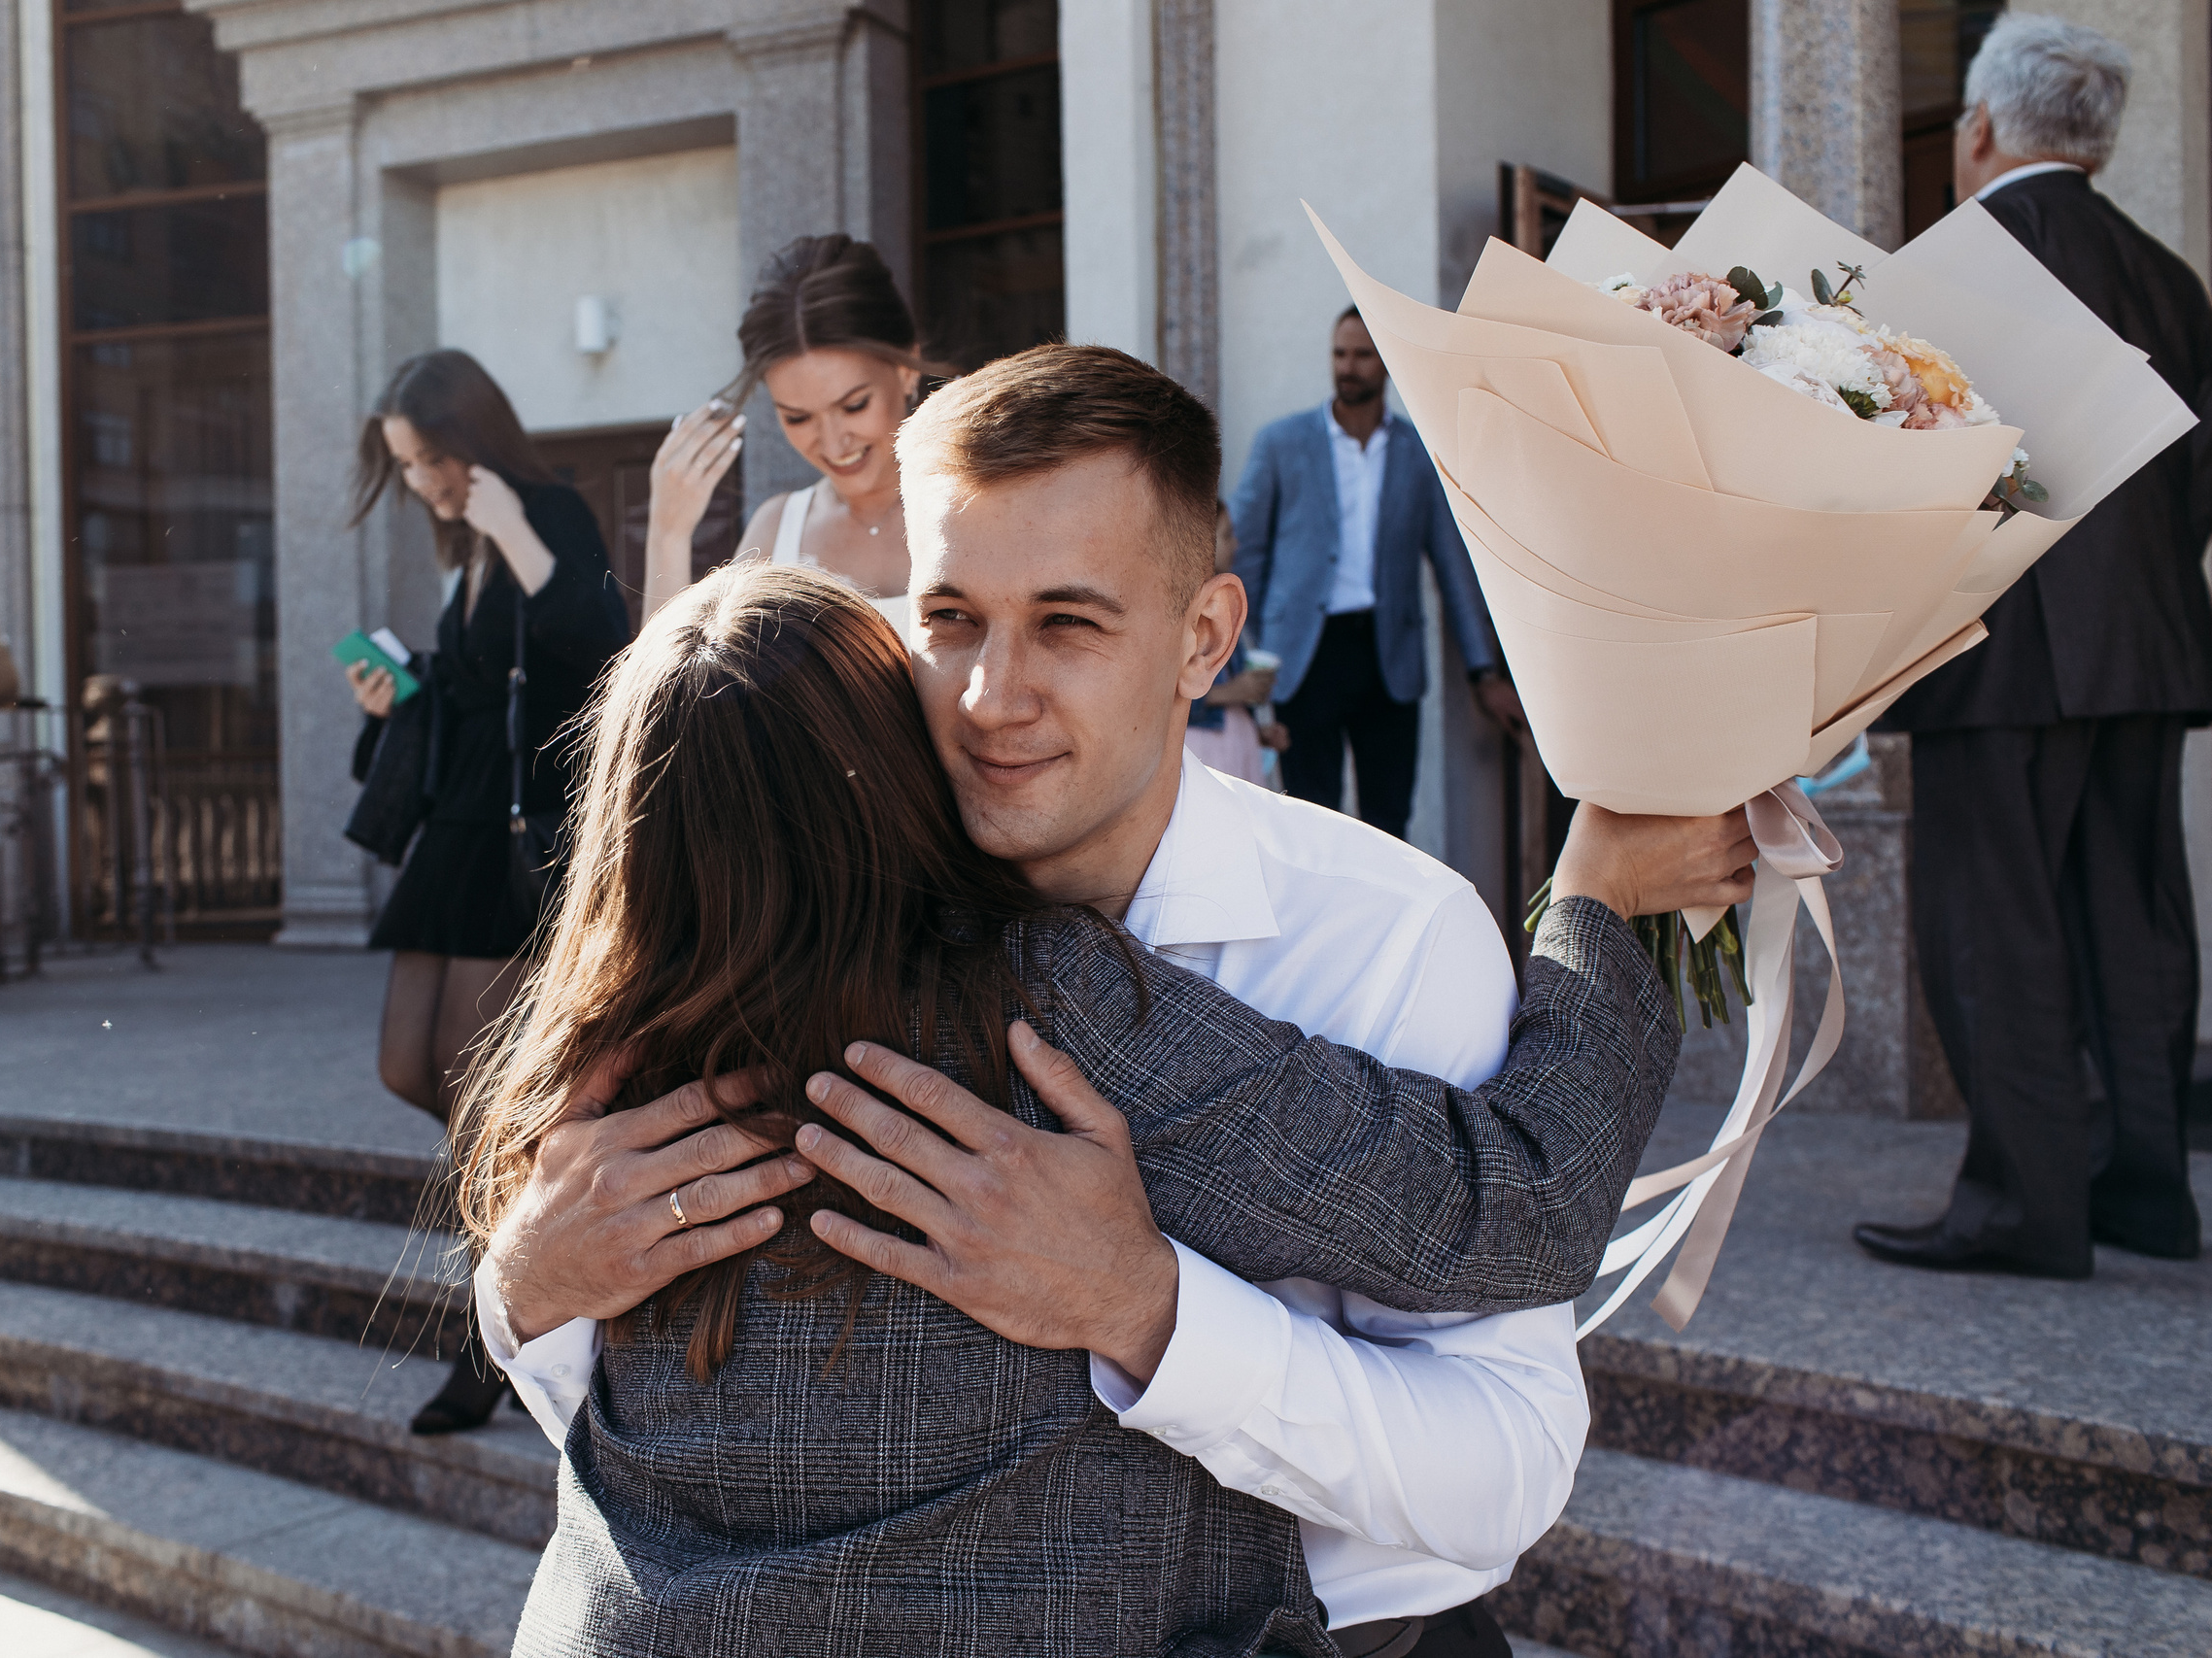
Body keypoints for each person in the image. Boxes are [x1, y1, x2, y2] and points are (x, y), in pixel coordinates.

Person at [480, 347, 1756, 1656]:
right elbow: (656, 1401)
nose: (990, 695)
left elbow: (1509, 1462)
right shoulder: (904, 963)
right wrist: (526, 1285)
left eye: (1069, 622)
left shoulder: (1386, 933)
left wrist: (1146, 1308)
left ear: (1205, 635)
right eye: (950, 617)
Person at [1862, 15, 2212, 1278]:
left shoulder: (1943, 270)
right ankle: (2144, 1189)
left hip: (1995, 651)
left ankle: (2021, 1199)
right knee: (2136, 914)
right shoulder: (2174, 279)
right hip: (2150, 647)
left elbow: (1898, 478)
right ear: (2099, 144)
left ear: (1980, 129)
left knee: (1992, 924)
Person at [344, 349, 630, 1432]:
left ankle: (496, 1332)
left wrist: (513, 528)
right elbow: (474, 691)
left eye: (426, 461)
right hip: (456, 832)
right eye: (406, 467)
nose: (419, 483)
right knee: (409, 1068)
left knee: (473, 1095)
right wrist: (394, 696)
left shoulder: (542, 510)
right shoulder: (460, 540)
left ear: (469, 440)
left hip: (521, 838)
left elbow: (601, 647)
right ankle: (547, 1206)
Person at [1231, 306, 1527, 835]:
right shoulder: (1281, 444)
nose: (1347, 367)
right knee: (1307, 817)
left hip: (1388, 658)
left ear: (1386, 363)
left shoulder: (1419, 452)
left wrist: (1484, 673)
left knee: (1389, 824)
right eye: (1339, 354)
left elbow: (1453, 570)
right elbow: (1242, 558)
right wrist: (1242, 656)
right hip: (1306, 656)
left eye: (1362, 355)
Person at [638, 234, 934, 631]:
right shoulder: (775, 531)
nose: (832, 443)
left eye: (854, 406)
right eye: (798, 418)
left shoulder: (979, 506)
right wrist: (668, 535)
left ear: (907, 367)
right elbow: (675, 690)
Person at [1185, 502, 1281, 787]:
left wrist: (1259, 732)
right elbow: (1161, 695)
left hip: (1237, 750)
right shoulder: (1182, 613)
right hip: (1203, 753)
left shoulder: (1223, 604)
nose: (1236, 544)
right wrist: (1233, 692)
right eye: (1226, 536)